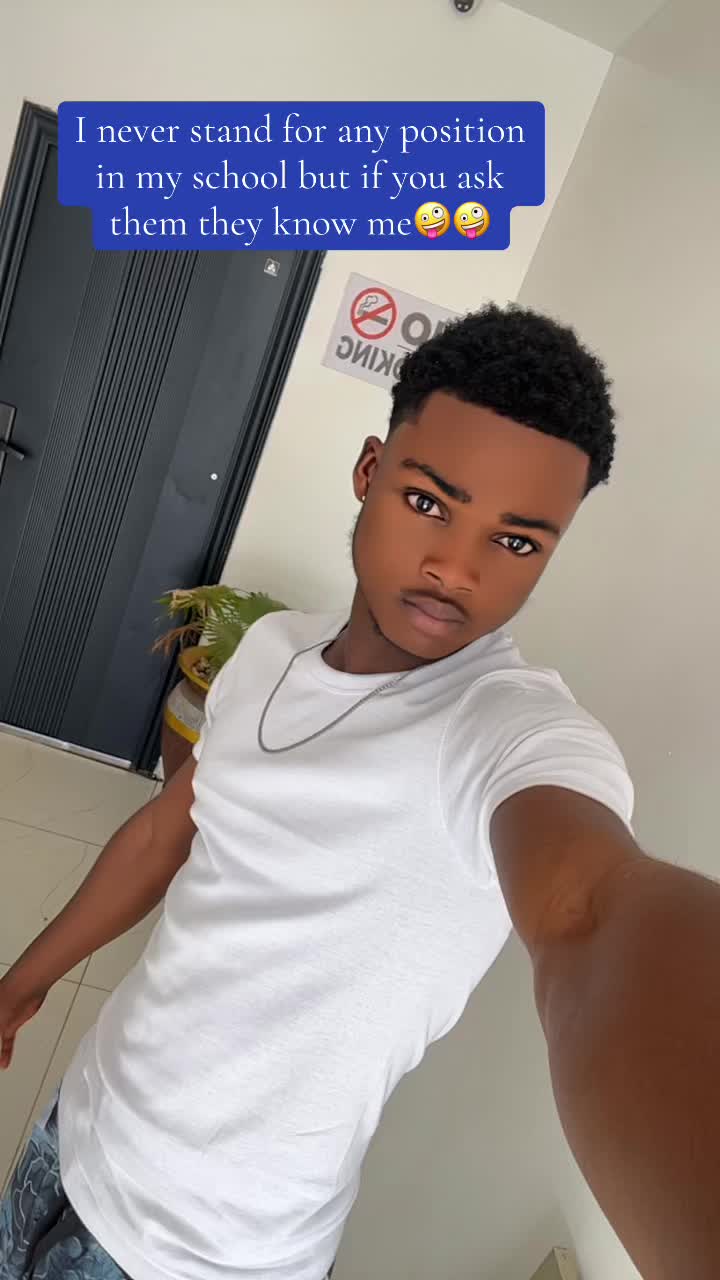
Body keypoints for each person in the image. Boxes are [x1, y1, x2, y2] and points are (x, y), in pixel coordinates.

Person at [1, 303, 718, 1280]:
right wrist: (24, 982)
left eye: (516, 542)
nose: (456, 567)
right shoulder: (270, 651)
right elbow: (170, 830)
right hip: (78, 1130)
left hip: (205, 1255)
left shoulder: (505, 732)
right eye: (430, 501)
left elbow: (591, 912)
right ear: (370, 471)